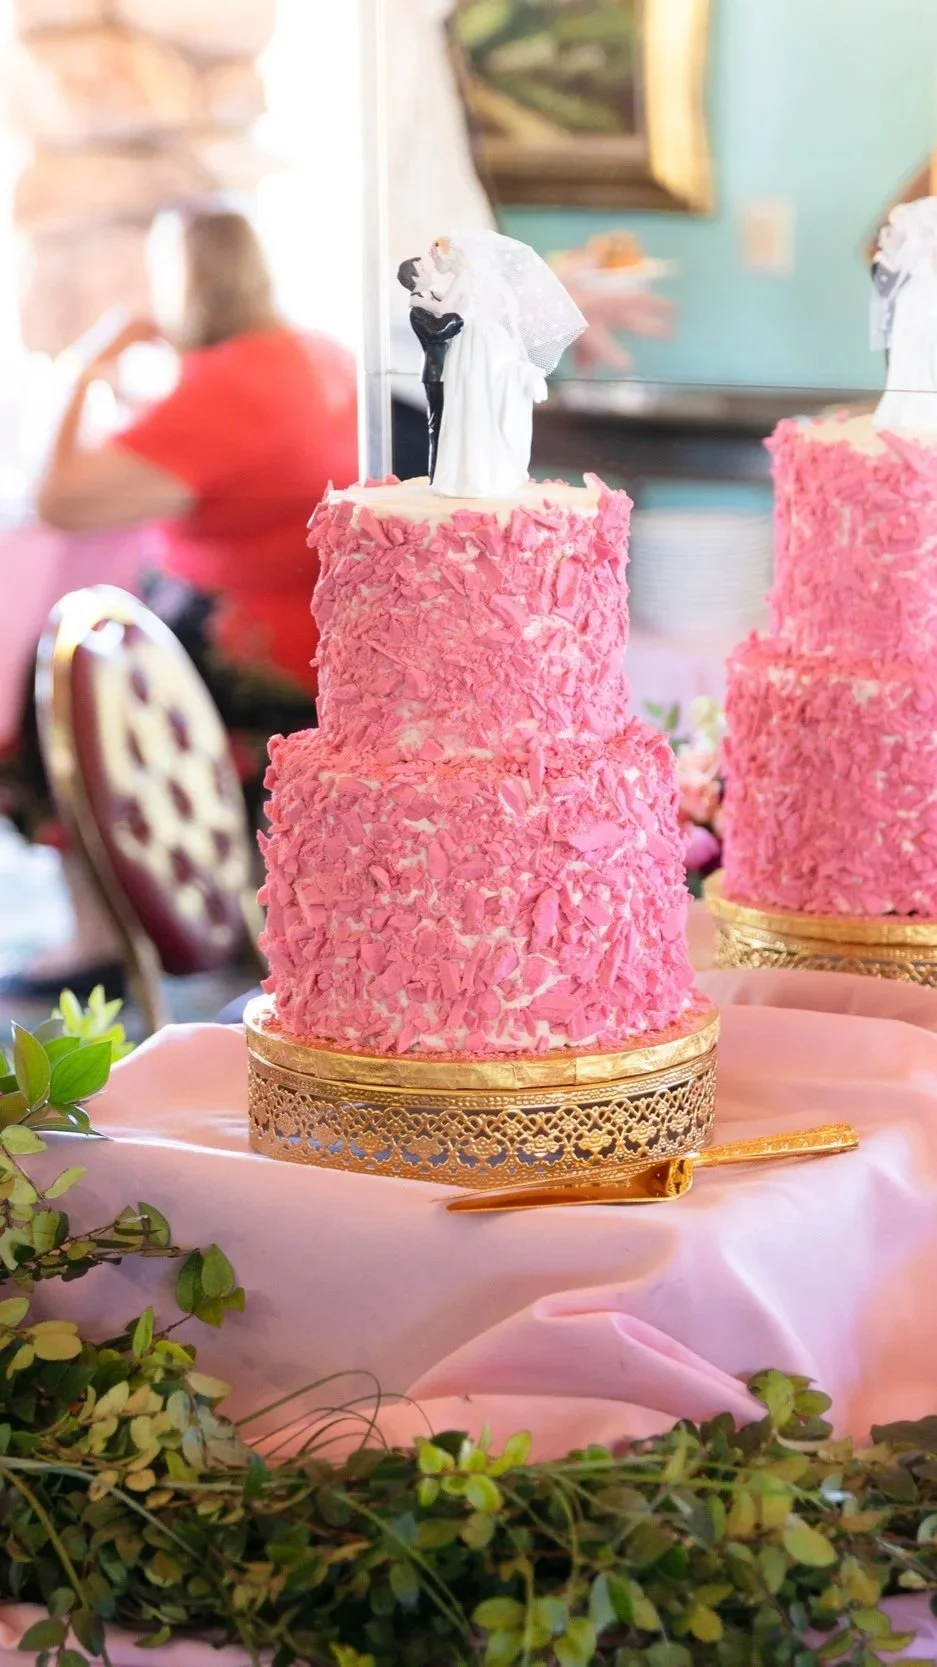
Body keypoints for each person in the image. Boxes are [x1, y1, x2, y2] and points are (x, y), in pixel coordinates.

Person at [0, 206, 358, 999]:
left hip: (260, 649)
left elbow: (56, 497)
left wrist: (89, 364)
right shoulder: (313, 353)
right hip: (318, 623)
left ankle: (100, 935)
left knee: (51, 687)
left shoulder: (226, 385)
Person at [388, 0, 675, 480]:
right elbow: (358, 268)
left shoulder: (412, 23)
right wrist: (528, 301)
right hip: (397, 404)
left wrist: (537, 291)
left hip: (441, 394)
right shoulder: (381, 29)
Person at [425, 230, 585, 498]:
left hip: (475, 345)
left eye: (437, 260)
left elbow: (445, 312)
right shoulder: (480, 280)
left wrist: (424, 298)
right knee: (482, 402)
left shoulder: (465, 277)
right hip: (492, 342)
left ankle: (471, 475)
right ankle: (485, 471)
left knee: (472, 402)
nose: (437, 266)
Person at [872, 197, 937, 432]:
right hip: (913, 309)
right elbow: (888, 285)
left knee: (927, 353)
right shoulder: (901, 258)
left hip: (926, 307)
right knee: (912, 354)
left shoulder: (925, 252)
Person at [397, 256, 464, 481]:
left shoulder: (432, 297)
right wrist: (459, 316)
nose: (428, 270)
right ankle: (437, 474)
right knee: (438, 425)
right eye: (422, 269)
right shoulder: (417, 309)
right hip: (436, 372)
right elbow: (440, 329)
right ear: (414, 278)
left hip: (449, 370)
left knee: (452, 421)